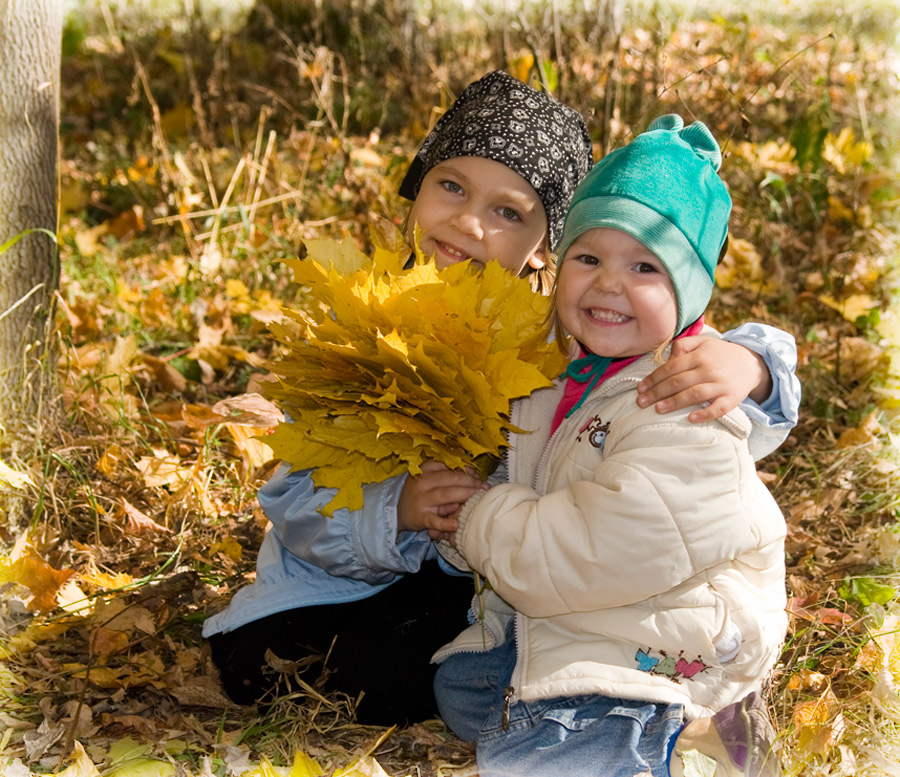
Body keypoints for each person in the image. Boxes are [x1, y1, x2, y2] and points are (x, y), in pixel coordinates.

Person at [202, 72, 799, 728]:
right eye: (451, 186)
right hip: (333, 578)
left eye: (508, 212)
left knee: (416, 665)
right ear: (418, 184)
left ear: (550, 243)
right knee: (264, 661)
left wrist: (752, 363)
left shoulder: (562, 328)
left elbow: (671, 348)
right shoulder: (360, 320)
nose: (468, 222)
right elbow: (293, 503)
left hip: (479, 579)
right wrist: (395, 510)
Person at [431, 115, 788, 777]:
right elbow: (533, 483)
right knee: (464, 688)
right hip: (597, 598)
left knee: (547, 752)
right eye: (589, 257)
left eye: (645, 266)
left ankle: (696, 721)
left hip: (670, 627)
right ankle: (675, 722)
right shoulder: (562, 376)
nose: (608, 283)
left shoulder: (680, 399)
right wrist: (457, 517)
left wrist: (479, 517)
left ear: (690, 293)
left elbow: (598, 545)